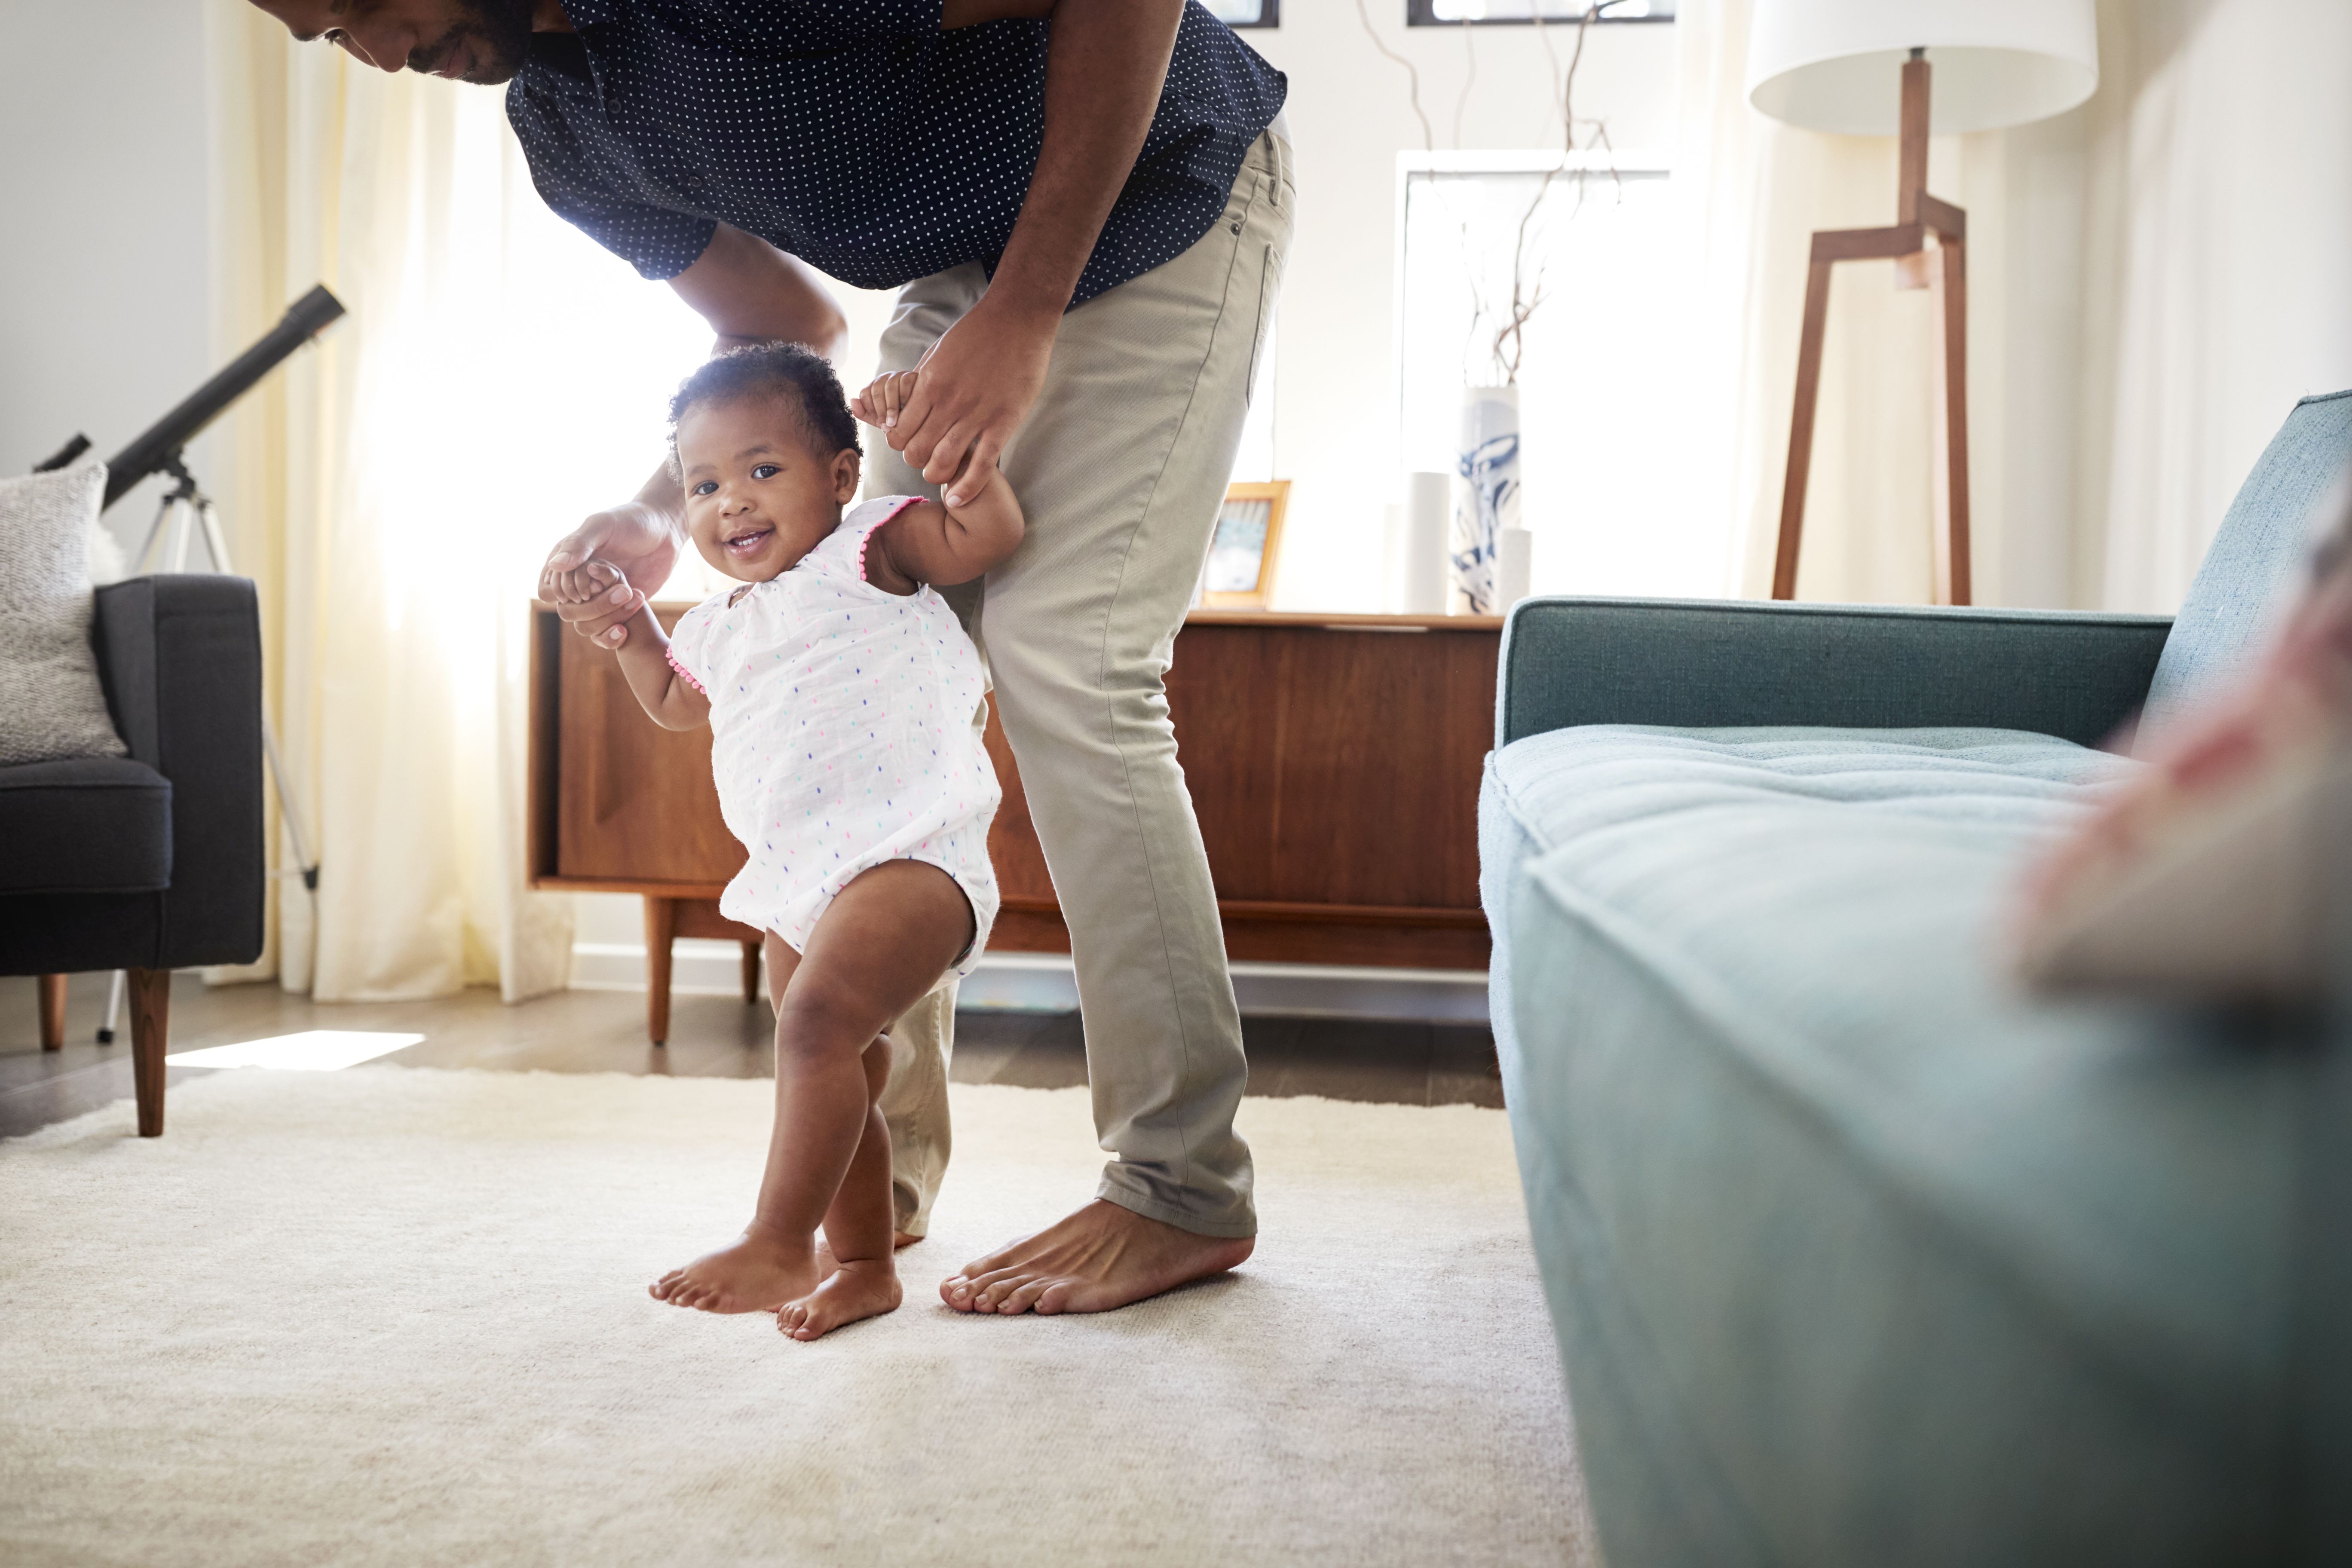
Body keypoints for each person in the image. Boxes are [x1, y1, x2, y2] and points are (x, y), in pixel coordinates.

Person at [250, 0, 1292, 1316]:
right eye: (325, 41)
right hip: (964, 272)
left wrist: (1027, 311)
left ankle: (1179, 1186)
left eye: (356, 6)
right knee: (865, 612)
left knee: (1066, 665)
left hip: (1158, 193)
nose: (378, 54)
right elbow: (785, 325)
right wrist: (651, 507)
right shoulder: (565, 128)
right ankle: (865, 1195)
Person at [559, 344, 1023, 1338]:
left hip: (913, 854)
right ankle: (860, 1265)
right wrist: (630, 627)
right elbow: (680, 707)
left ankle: (778, 1236)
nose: (733, 503)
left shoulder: (873, 549)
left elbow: (987, 537)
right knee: (838, 1059)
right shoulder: (722, 622)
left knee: (817, 1029)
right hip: (794, 881)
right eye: (705, 485)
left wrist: (951, 460)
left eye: (763, 470)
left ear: (842, 476)